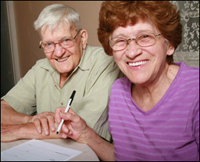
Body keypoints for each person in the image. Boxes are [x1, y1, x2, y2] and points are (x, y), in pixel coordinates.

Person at [54, 1, 199, 161]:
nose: (132, 52)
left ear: (170, 44)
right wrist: (85, 134)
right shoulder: (118, 92)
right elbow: (123, 157)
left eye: (145, 37)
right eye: (120, 40)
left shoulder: (195, 89)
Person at [1, 4, 122, 142]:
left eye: (66, 40)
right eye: (49, 44)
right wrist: (31, 120)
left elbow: (83, 129)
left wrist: (18, 130)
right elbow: (3, 109)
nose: (58, 52)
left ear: (82, 38)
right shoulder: (40, 68)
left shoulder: (105, 63)